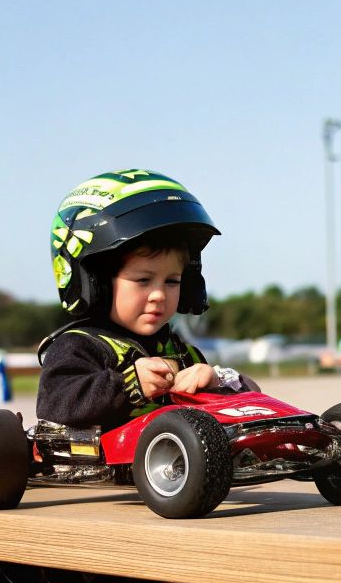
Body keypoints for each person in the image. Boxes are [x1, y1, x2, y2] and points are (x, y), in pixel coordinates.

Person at [37, 169, 254, 429]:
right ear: (99, 283)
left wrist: (215, 381)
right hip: (105, 463)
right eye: (143, 281)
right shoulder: (78, 347)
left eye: (172, 281)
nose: (159, 295)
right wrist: (128, 384)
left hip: (179, 459)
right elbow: (54, 404)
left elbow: (254, 399)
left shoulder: (180, 352)